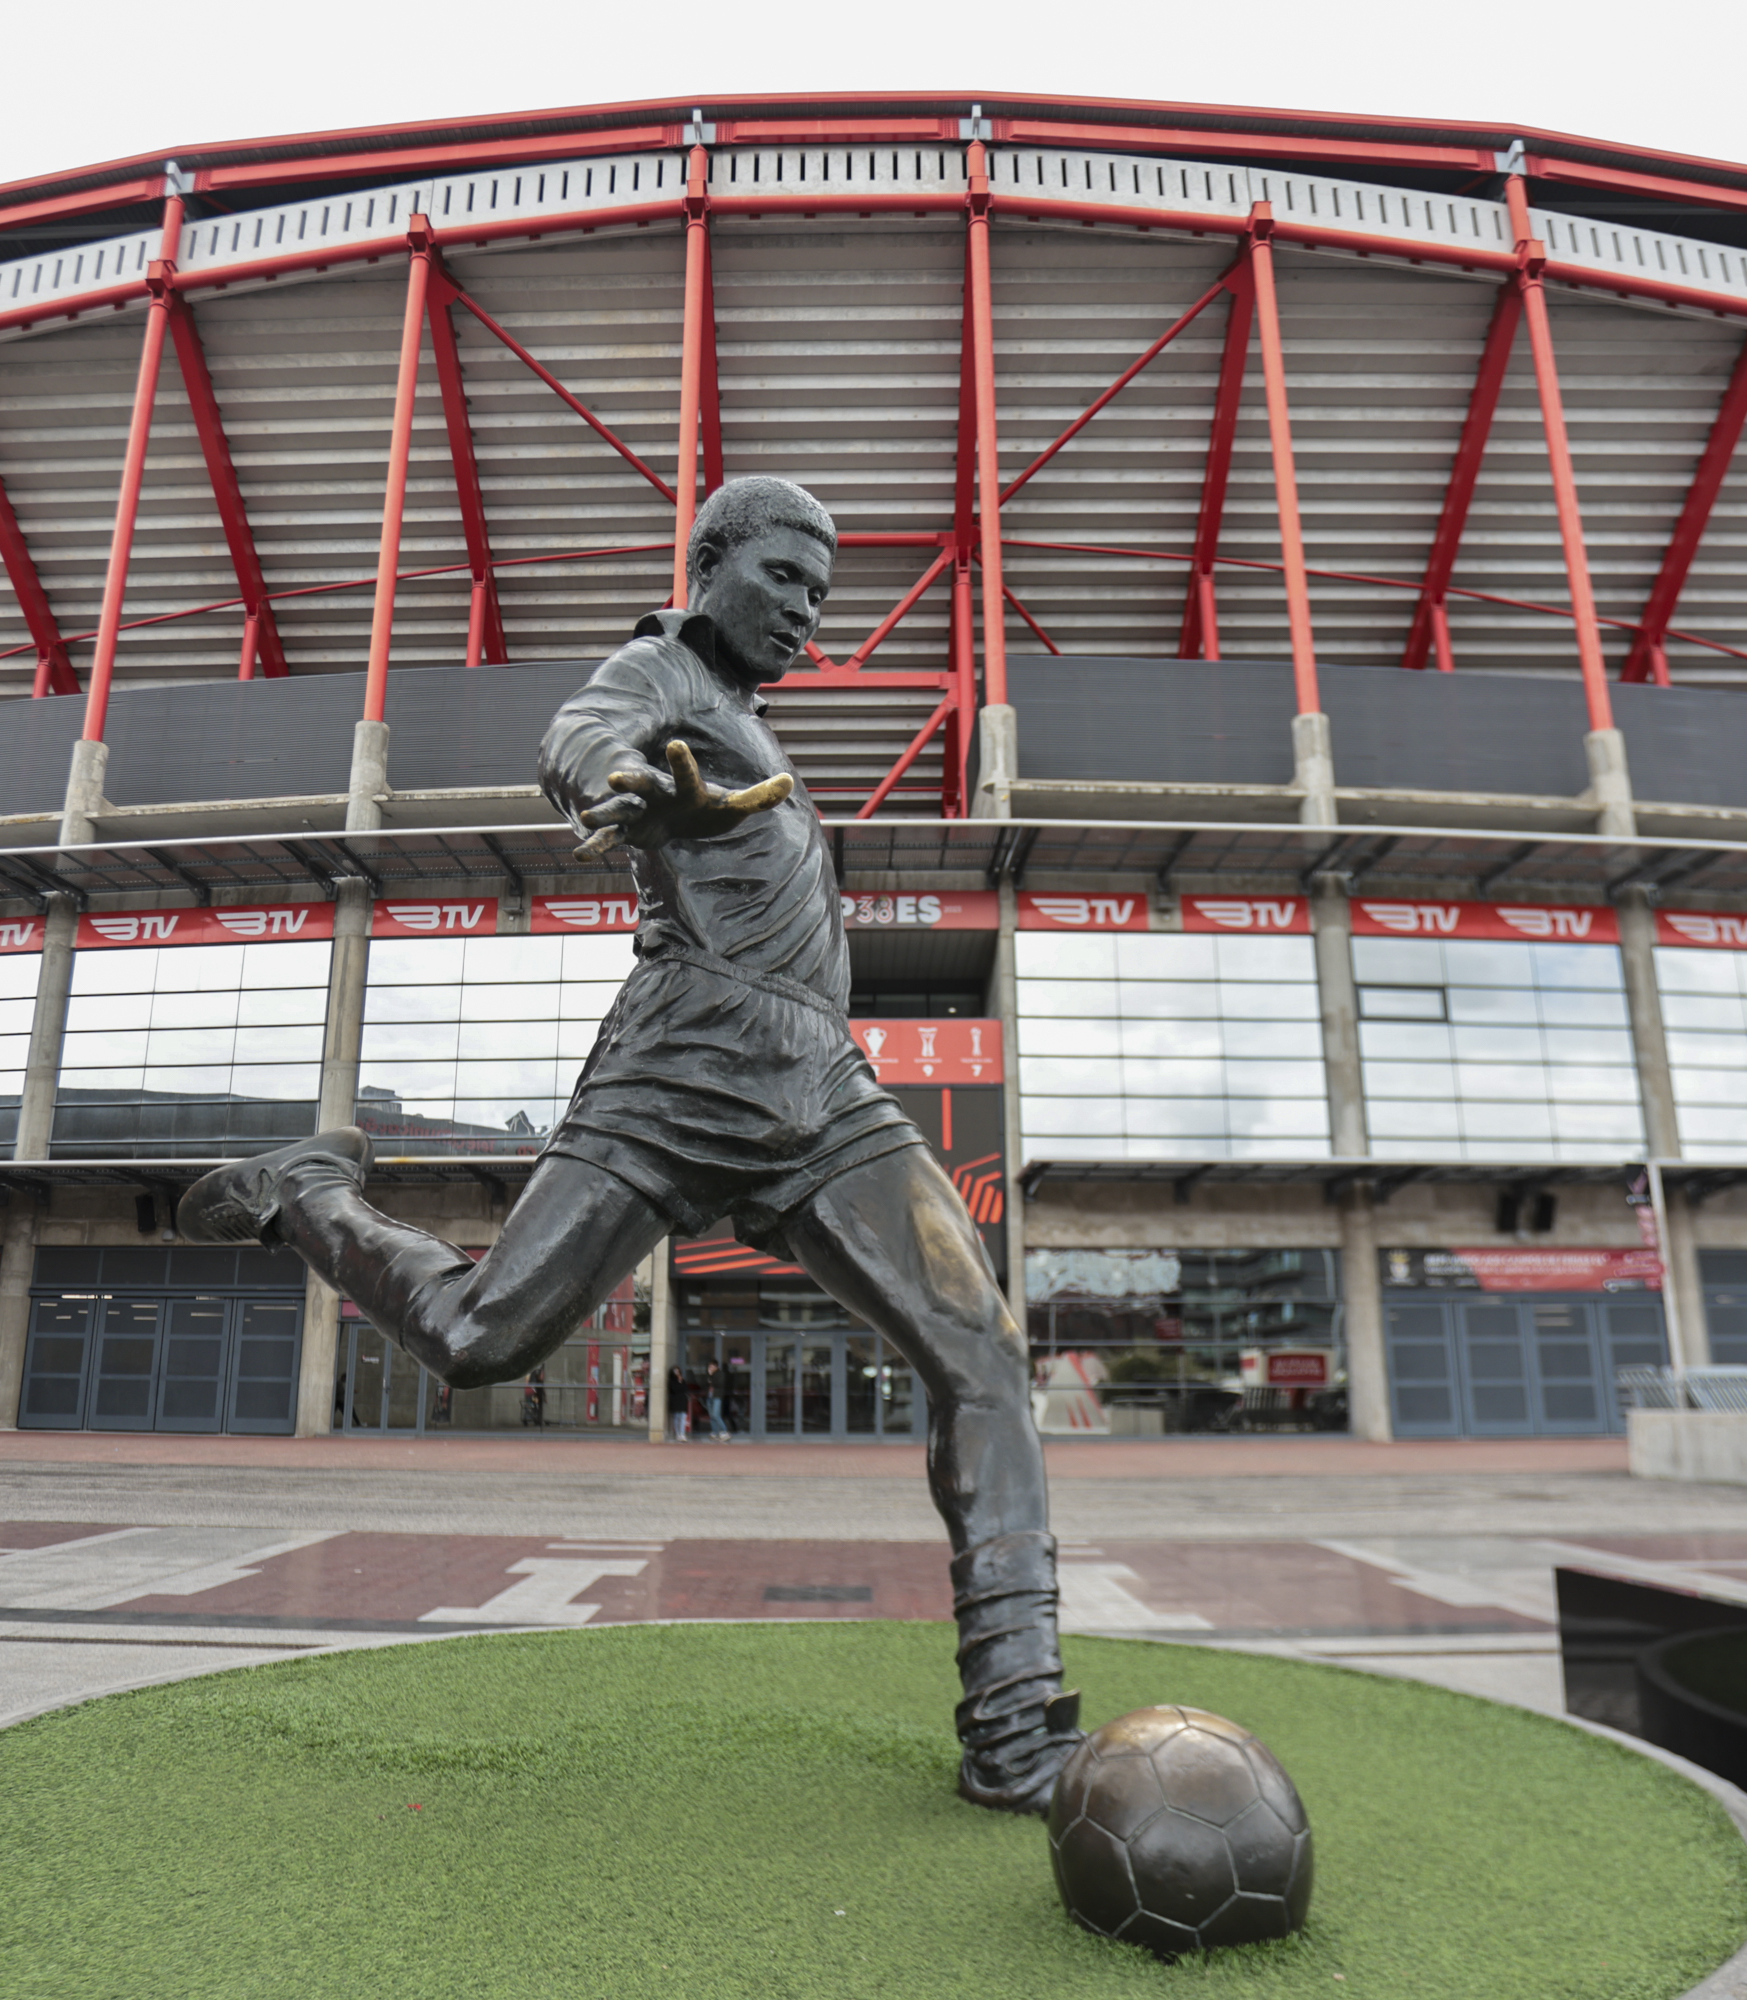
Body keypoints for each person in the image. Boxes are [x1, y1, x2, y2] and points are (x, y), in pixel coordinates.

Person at [182, 478, 1082, 1814]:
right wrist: (614, 785)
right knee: (484, 1339)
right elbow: (582, 735)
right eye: (782, 577)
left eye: (822, 594)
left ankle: (1018, 1730)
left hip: (824, 1092)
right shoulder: (657, 674)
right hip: (678, 1070)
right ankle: (308, 1194)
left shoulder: (753, 726)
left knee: (985, 1352)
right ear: (710, 562)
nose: (805, 610)